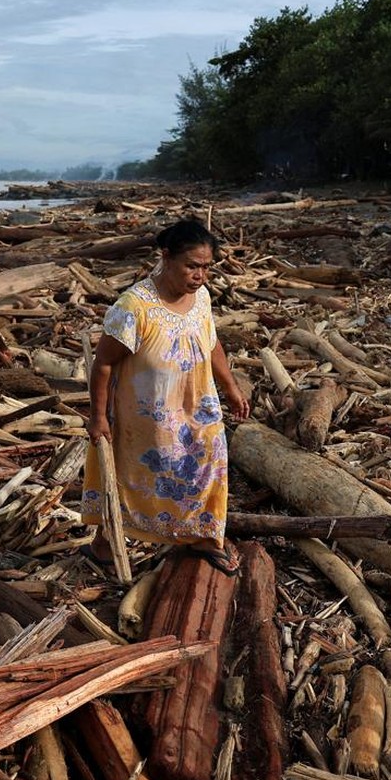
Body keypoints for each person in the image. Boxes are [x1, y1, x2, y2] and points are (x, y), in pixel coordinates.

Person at [80, 218, 250, 575]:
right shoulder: (134, 307)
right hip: (147, 415)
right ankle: (106, 542)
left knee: (208, 466)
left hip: (199, 405)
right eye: (192, 266)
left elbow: (211, 341)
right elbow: (104, 364)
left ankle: (203, 536)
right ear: (166, 257)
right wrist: (98, 416)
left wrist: (231, 387)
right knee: (133, 476)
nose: (200, 275)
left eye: (206, 267)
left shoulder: (201, 298)